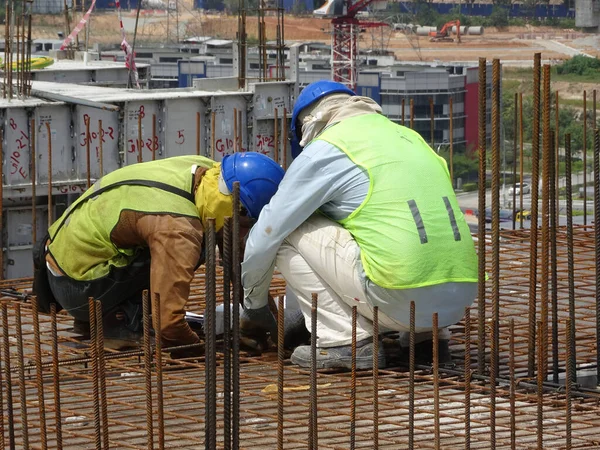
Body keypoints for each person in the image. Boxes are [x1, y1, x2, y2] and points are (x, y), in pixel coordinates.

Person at [239, 80, 479, 369]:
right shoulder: (411, 138)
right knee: (385, 225)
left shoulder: (326, 149)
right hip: (458, 299)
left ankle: (344, 341)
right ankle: (429, 342)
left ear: (307, 126)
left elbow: (266, 234)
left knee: (288, 231)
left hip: (398, 297)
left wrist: (254, 306)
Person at [33, 153, 284, 356]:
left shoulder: (207, 174)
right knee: (200, 244)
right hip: (77, 287)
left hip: (65, 263)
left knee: (211, 233)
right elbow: (169, 325)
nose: (248, 232)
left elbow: (234, 252)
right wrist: (203, 348)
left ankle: (113, 315)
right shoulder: (178, 227)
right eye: (249, 224)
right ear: (237, 208)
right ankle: (119, 326)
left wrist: (260, 313)